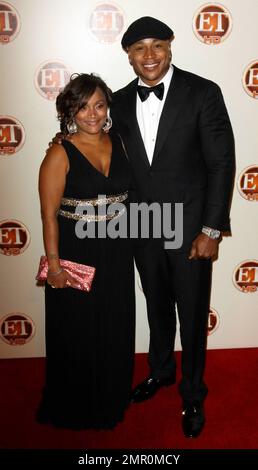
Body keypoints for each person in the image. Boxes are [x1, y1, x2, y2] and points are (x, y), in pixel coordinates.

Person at [110, 16, 235, 438]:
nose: (149, 56)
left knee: (193, 313)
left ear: (170, 47)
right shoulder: (118, 101)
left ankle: (193, 391)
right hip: (143, 227)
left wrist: (212, 229)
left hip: (190, 229)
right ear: (128, 55)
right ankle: (161, 370)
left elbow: (221, 164)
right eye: (139, 48)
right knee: (156, 306)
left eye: (157, 46)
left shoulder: (203, 92)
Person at [37, 73, 135, 429]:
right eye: (82, 107)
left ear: (108, 107)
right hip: (75, 252)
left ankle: (111, 396)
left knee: (114, 323)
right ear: (70, 111)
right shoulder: (59, 152)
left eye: (98, 105)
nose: (91, 114)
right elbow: (49, 216)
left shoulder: (120, 142)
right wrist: (55, 264)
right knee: (76, 330)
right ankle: (76, 403)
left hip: (118, 251)